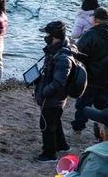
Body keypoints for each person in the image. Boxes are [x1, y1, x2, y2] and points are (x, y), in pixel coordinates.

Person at [72, 8, 108, 133]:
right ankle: (105, 130)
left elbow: (78, 57)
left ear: (94, 19)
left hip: (91, 79)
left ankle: (78, 127)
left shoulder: (89, 35)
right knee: (103, 105)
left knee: (83, 104)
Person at [34, 21, 75, 162]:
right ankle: (62, 145)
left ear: (55, 36)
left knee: (46, 124)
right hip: (56, 97)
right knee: (54, 120)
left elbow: (59, 82)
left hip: (54, 98)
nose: (45, 37)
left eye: (47, 34)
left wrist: (44, 92)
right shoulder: (57, 49)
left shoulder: (63, 57)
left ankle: (49, 154)